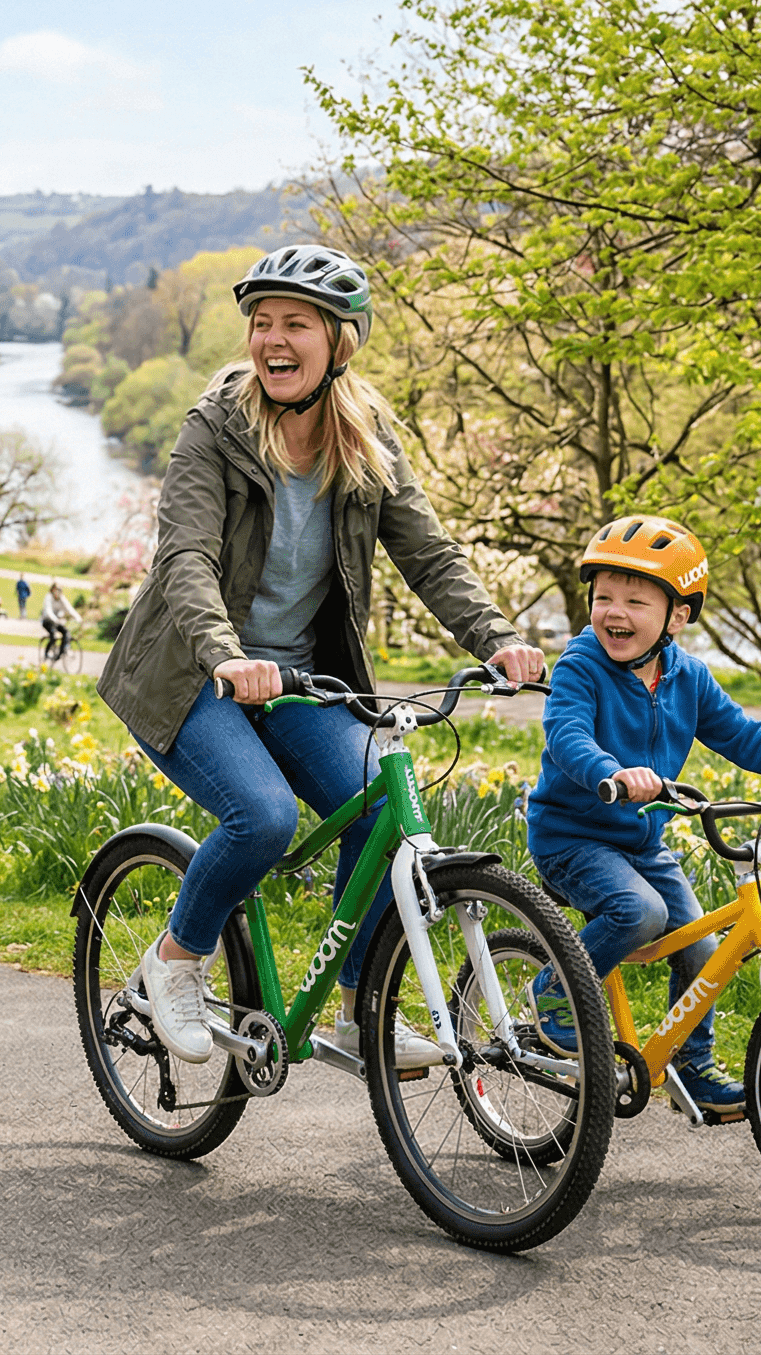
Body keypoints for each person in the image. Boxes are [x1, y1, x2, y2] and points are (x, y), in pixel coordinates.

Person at [95, 242, 543, 1069]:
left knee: (381, 807)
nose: (273, 339)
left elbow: (430, 554)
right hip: (194, 671)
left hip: (303, 677)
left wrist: (499, 636)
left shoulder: (366, 437)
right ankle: (175, 960)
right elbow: (186, 557)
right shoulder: (216, 428)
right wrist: (227, 655)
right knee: (262, 817)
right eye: (262, 322)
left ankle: (357, 1010)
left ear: (341, 341)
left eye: (295, 323)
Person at [524, 516, 761, 1121]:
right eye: (604, 596)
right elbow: (567, 733)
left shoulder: (689, 677)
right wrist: (613, 771)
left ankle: (692, 1068)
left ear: (677, 617)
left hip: (643, 840)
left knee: (704, 947)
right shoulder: (581, 666)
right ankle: (555, 993)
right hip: (573, 836)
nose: (613, 612)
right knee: (641, 912)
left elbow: (741, 735)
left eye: (635, 600)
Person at [40, 583, 75, 662]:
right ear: (53, 590)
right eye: (57, 590)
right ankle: (46, 653)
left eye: (60, 590)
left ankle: (61, 652)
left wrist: (78, 618)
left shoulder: (61, 598)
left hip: (57, 621)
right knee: (54, 634)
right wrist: (55, 619)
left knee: (66, 632)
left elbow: (69, 608)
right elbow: (48, 611)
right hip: (47, 621)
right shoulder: (48, 597)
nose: (59, 592)